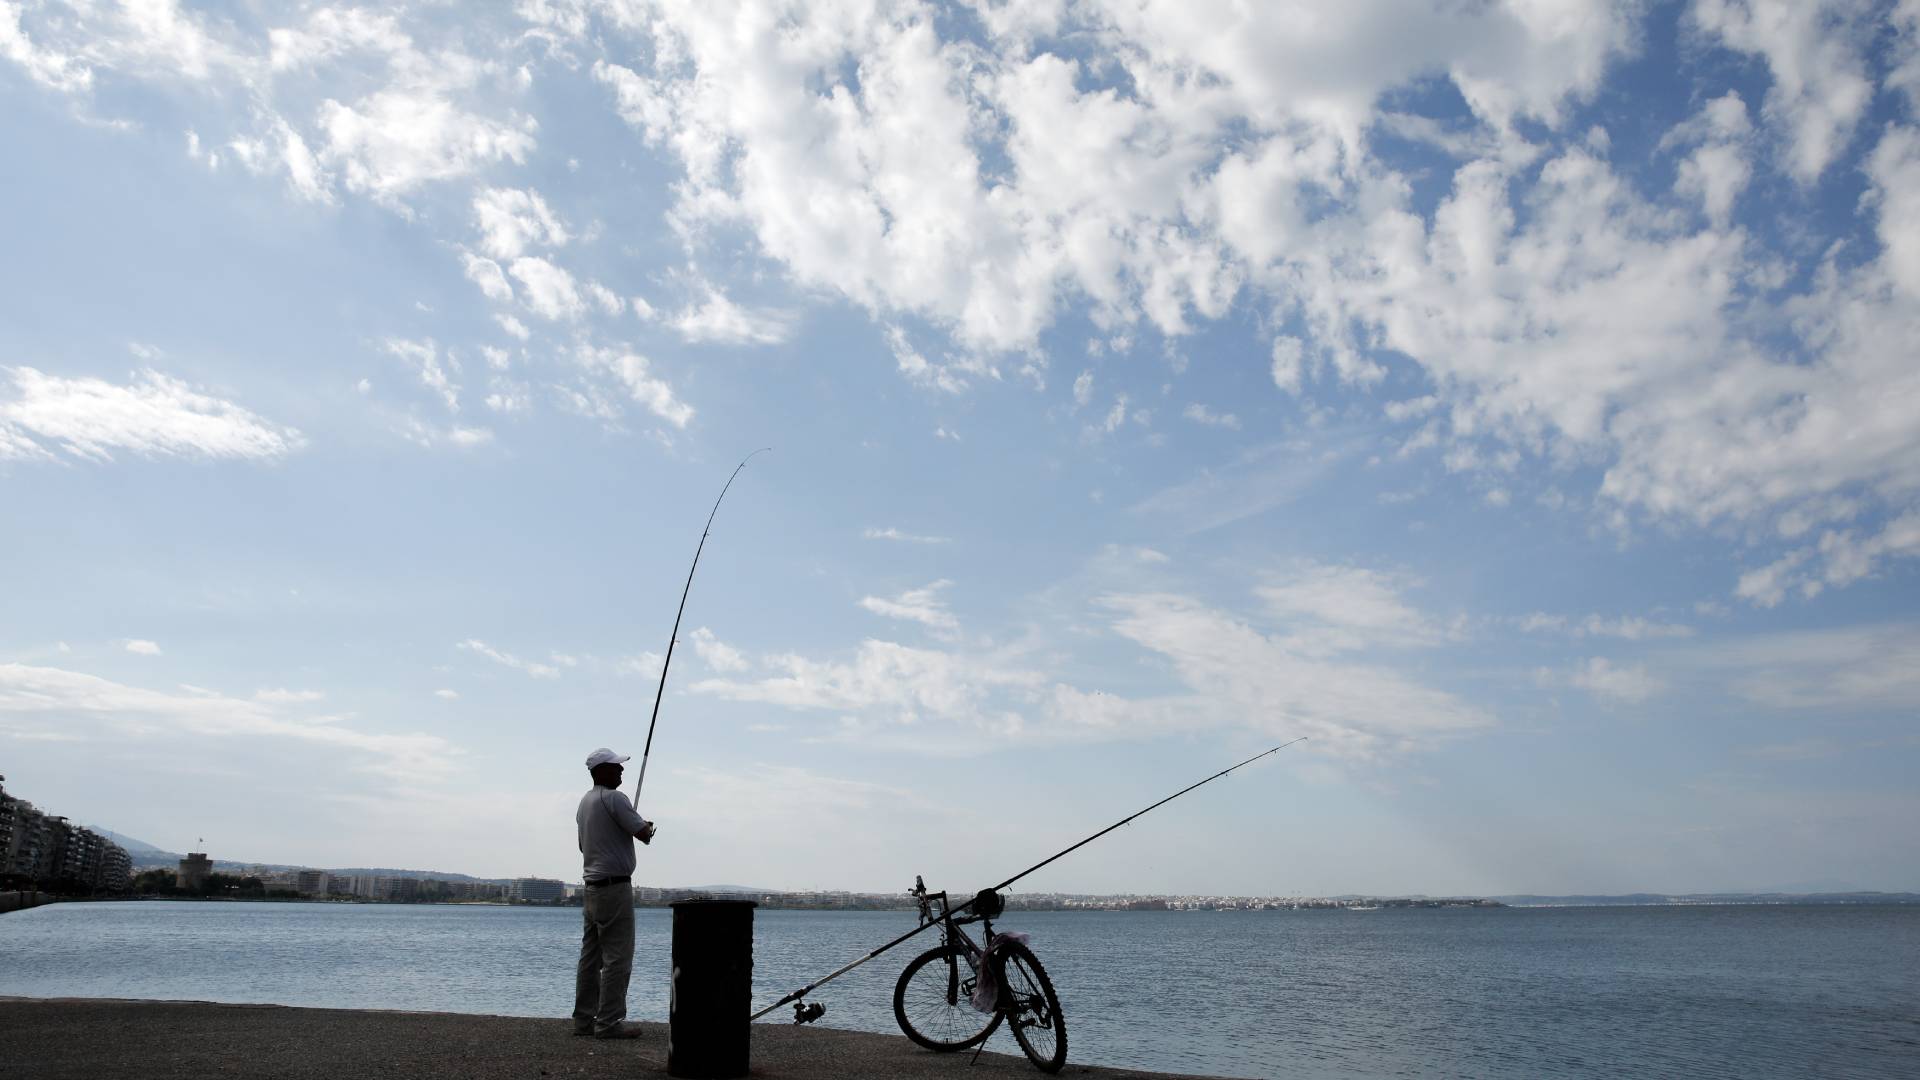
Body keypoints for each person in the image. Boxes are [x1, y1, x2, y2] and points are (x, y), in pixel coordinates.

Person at [572, 747, 657, 1039]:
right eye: (616, 767)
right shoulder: (615, 799)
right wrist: (647, 826)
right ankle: (608, 1023)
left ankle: (583, 1020)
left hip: (591, 889)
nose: (621, 771)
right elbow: (644, 835)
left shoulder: (585, 803)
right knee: (618, 959)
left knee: (590, 958)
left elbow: (584, 847)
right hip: (614, 888)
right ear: (601, 771)